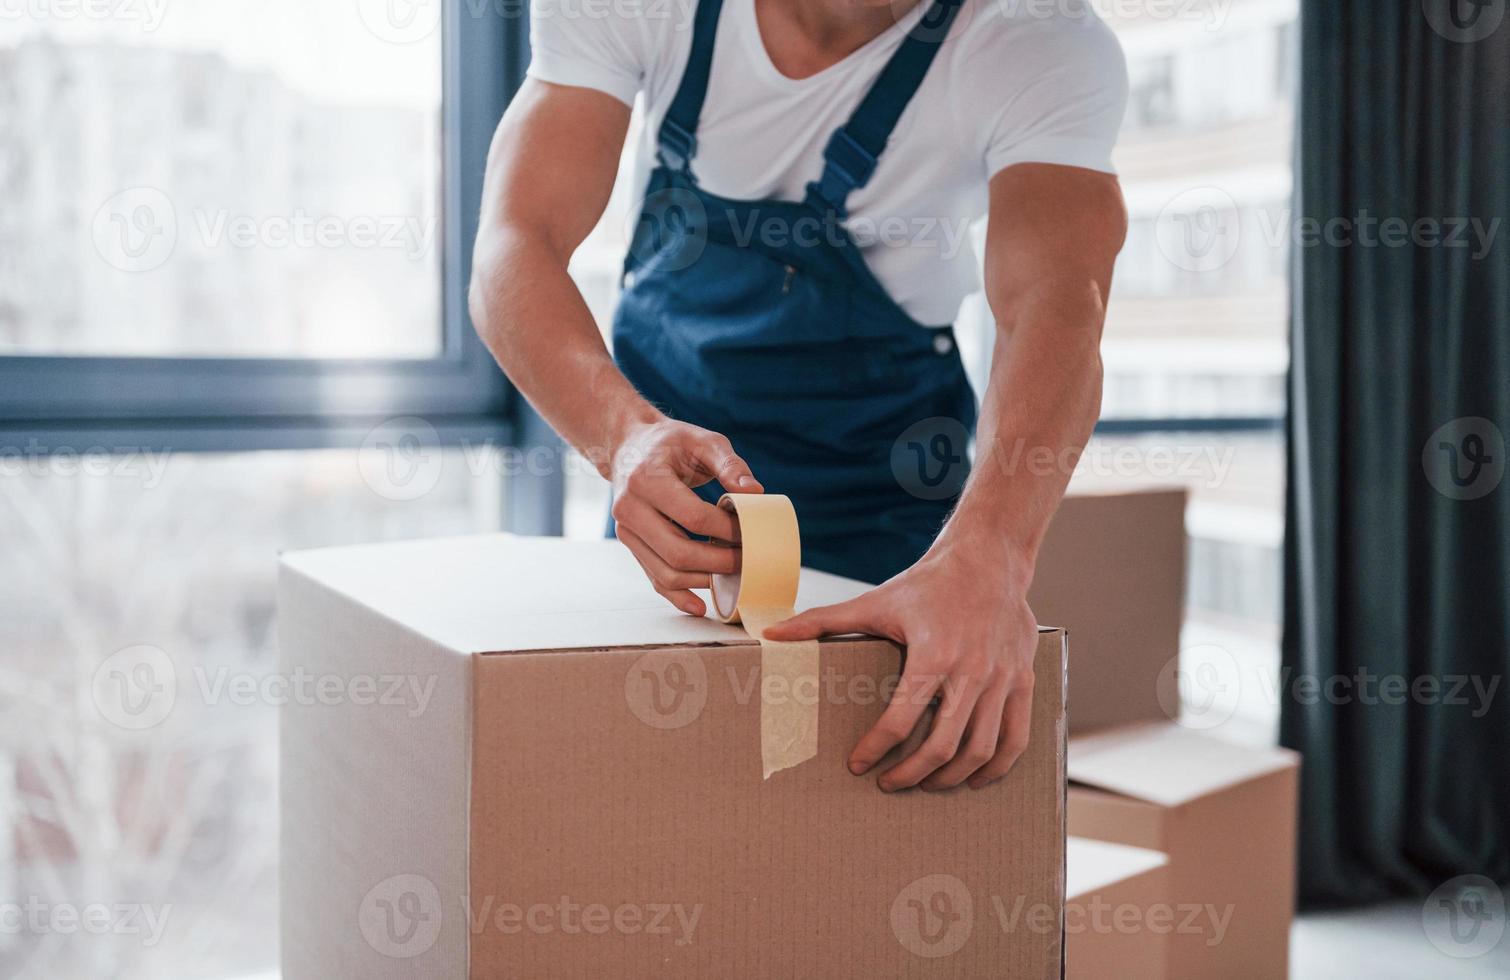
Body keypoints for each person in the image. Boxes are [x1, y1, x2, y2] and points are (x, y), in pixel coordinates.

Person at [469, 0, 1128, 793]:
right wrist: (623, 438)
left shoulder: (1035, 38)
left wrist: (992, 554)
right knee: (667, 787)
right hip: (682, 494)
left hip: (895, 512)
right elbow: (515, 241)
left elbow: (1059, 304)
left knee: (863, 804)